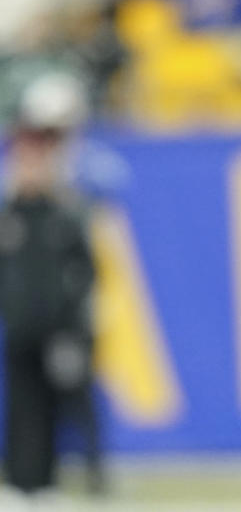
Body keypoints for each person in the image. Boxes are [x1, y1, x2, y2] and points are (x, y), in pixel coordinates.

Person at [0, 72, 103, 501]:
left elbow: (87, 269)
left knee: (64, 404)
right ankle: (21, 480)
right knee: (21, 406)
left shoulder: (66, 211)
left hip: (60, 325)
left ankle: (66, 479)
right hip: (21, 325)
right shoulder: (11, 215)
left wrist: (75, 322)